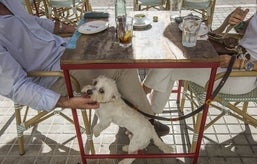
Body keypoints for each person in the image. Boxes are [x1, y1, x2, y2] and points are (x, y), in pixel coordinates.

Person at [0, 0, 169, 136]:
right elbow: (15, 87)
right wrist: (65, 102)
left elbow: (33, 22)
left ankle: (131, 114)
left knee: (117, 47)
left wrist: (74, 30)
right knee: (121, 67)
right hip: (53, 76)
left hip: (67, 51)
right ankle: (148, 124)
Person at [142, 0, 257, 114]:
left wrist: (241, 63)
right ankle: (148, 114)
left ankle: (140, 103)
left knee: (171, 66)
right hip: (231, 59)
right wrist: (238, 23)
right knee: (170, 63)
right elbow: (248, 31)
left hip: (244, 77)